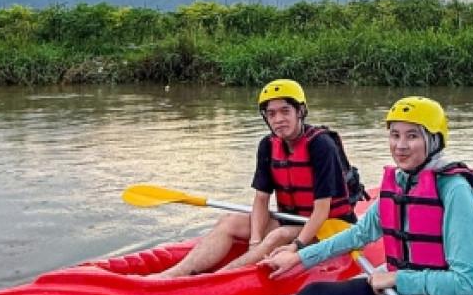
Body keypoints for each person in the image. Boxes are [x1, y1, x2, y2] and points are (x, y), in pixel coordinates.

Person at [146, 96, 473, 295]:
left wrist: (400, 279)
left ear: (434, 140)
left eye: (412, 136)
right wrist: (299, 257)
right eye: (395, 135)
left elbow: (463, 283)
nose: (400, 145)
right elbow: (355, 236)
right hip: (404, 285)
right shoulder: (401, 182)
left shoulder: (454, 191)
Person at [151, 79, 364, 278]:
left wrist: (296, 246)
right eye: (271, 114)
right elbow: (261, 199)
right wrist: (254, 241)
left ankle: (215, 280)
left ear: (300, 111)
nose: (278, 119)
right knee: (229, 222)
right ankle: (171, 275)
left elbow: (322, 210)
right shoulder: (268, 145)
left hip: (329, 225)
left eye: (285, 111)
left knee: (277, 236)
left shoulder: (321, 146)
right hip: (292, 219)